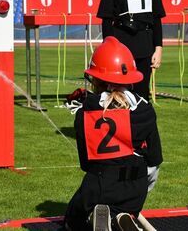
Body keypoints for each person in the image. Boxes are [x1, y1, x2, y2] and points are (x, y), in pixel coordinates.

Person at [64, 36, 163, 231]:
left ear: (96, 79)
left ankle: (103, 216)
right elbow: (154, 163)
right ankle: (121, 217)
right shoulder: (146, 111)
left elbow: (87, 164)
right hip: (136, 189)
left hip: (100, 186)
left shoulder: (85, 113)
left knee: (71, 223)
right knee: (121, 209)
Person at [97, 0, 166, 101]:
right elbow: (106, 23)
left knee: (142, 94)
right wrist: (109, 49)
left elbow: (156, 21)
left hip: (145, 47)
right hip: (121, 49)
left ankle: (140, 124)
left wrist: (158, 48)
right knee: (120, 94)